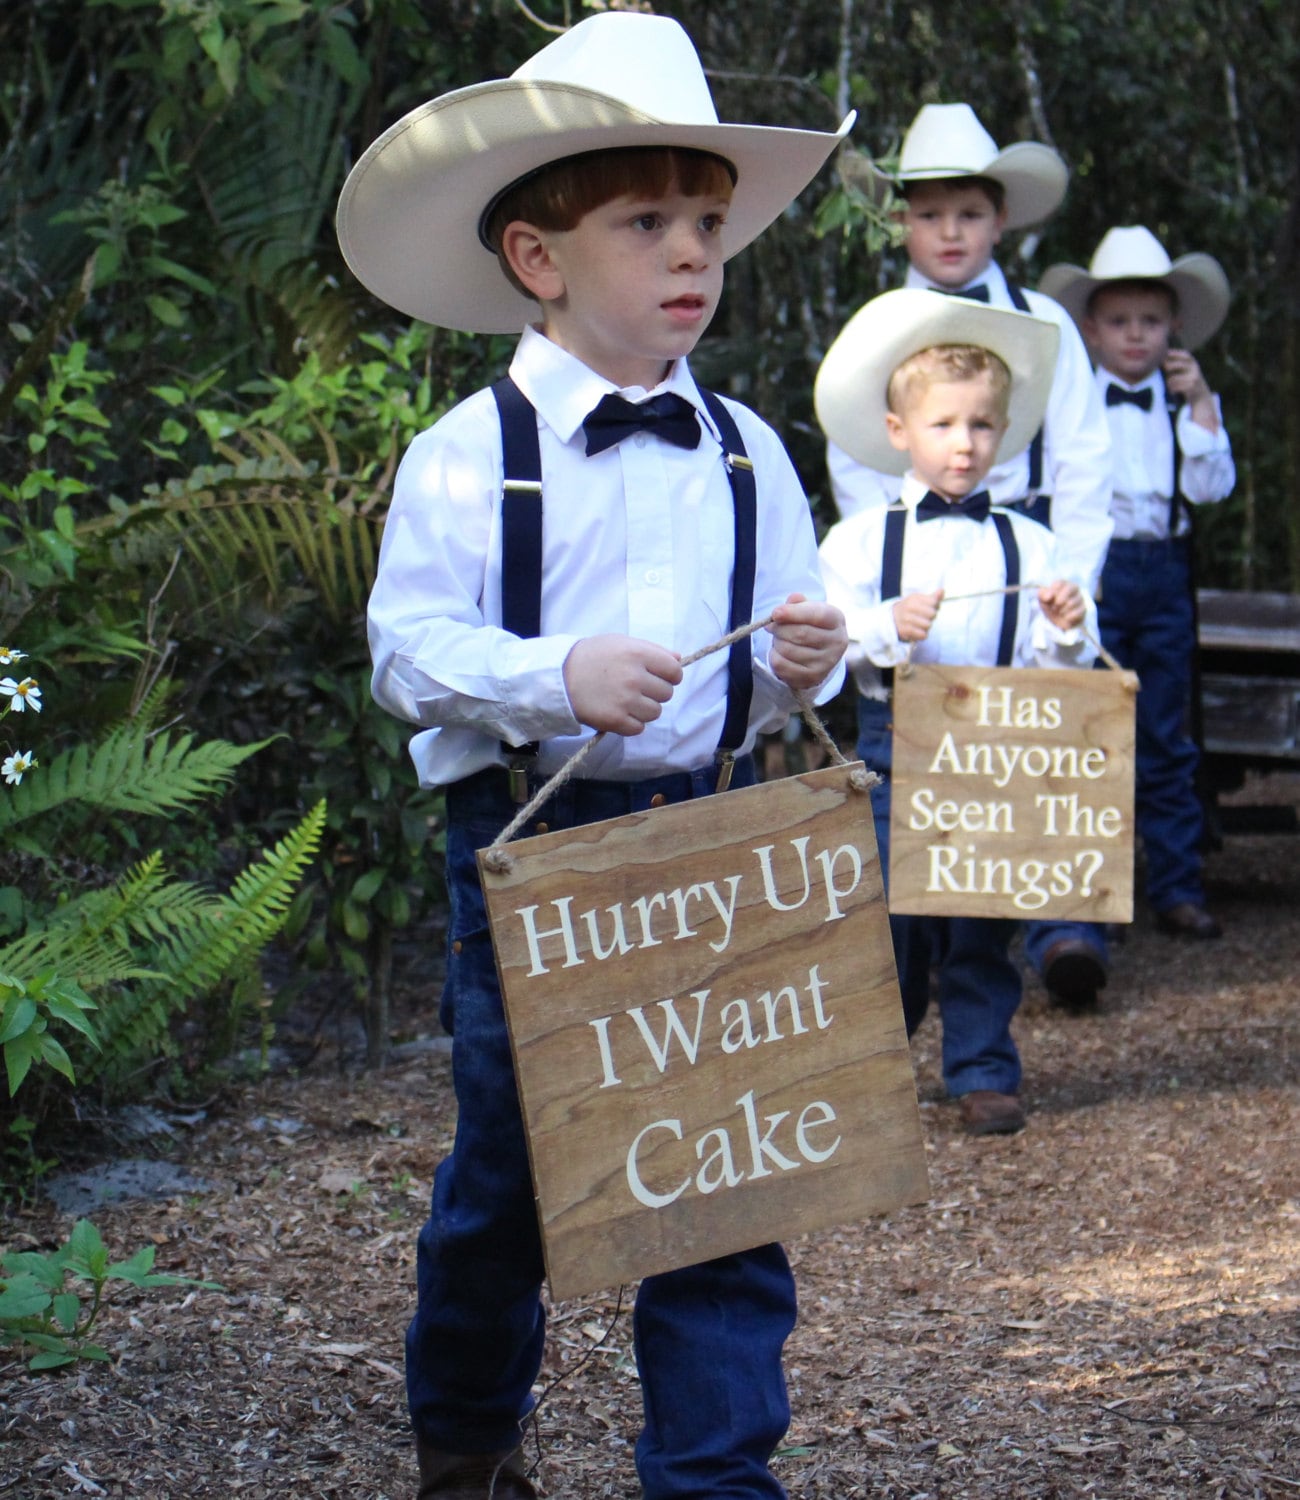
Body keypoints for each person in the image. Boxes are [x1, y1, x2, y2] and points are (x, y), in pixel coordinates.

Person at [336, 13, 852, 1499]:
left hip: (714, 836)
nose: (692, 251)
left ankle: (712, 1473)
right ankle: (468, 1433)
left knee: (724, 1169)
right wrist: (548, 673)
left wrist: (797, 662)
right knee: (514, 1173)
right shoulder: (465, 453)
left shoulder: (750, 446)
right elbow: (404, 652)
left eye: (708, 220)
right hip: (530, 857)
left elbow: (773, 654)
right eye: (647, 222)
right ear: (539, 259)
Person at [815, 288, 1098, 1136]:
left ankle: (982, 1069)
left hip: (995, 750)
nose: (965, 444)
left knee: (983, 919)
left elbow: (1063, 668)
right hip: (894, 749)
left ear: (1003, 433)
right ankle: (878, 1065)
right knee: (889, 923)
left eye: (981, 425)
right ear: (900, 432)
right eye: (943, 425)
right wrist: (880, 629)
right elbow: (823, 645)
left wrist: (1066, 632)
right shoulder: (862, 540)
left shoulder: (1030, 542)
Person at [1025, 226, 1234, 1005]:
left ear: (1173, 325)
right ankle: (1092, 897)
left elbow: (1212, 488)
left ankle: (1177, 885)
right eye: (1120, 321)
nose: (1136, 334)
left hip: (1165, 568)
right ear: (1090, 328)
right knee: (1090, 734)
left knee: (1165, 735)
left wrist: (1202, 403)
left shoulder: (1185, 402)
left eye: (1151, 319)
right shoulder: (1072, 403)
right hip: (1098, 574)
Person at [830, 103, 1114, 597]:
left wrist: (1071, 585)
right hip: (907, 553)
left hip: (1027, 555)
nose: (950, 232)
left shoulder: (1044, 323)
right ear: (899, 221)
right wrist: (884, 566)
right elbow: (853, 454)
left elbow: (1083, 456)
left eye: (970, 214)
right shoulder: (880, 326)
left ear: (1000, 220)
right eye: (930, 215)